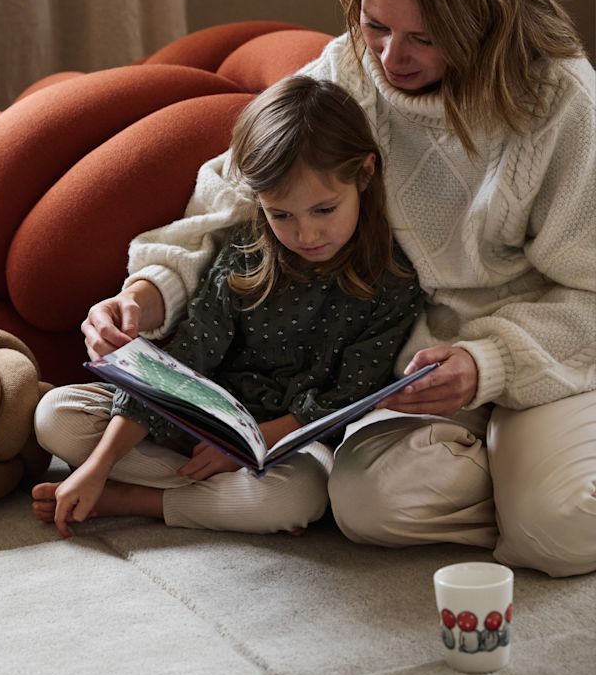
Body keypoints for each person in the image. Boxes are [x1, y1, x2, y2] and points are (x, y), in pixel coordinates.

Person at [81, 0, 596, 578]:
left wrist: (489, 365)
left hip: (534, 356)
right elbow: (235, 195)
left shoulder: (562, 104)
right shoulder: (350, 68)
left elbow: (590, 295)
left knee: (558, 532)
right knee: (366, 508)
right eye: (375, 25)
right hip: (396, 372)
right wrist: (149, 289)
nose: (391, 59)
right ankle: (505, 487)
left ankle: (530, 492)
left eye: (424, 37)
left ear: (486, 18)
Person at [32, 77, 424, 538]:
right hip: (196, 428)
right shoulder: (245, 254)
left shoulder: (392, 280)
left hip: (288, 446)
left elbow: (348, 398)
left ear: (364, 174)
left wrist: (248, 446)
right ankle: (199, 496)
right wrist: (99, 465)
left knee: (299, 496)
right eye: (282, 215)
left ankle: (140, 499)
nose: (306, 235)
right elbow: (183, 360)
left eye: (324, 210)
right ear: (259, 201)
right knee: (55, 413)